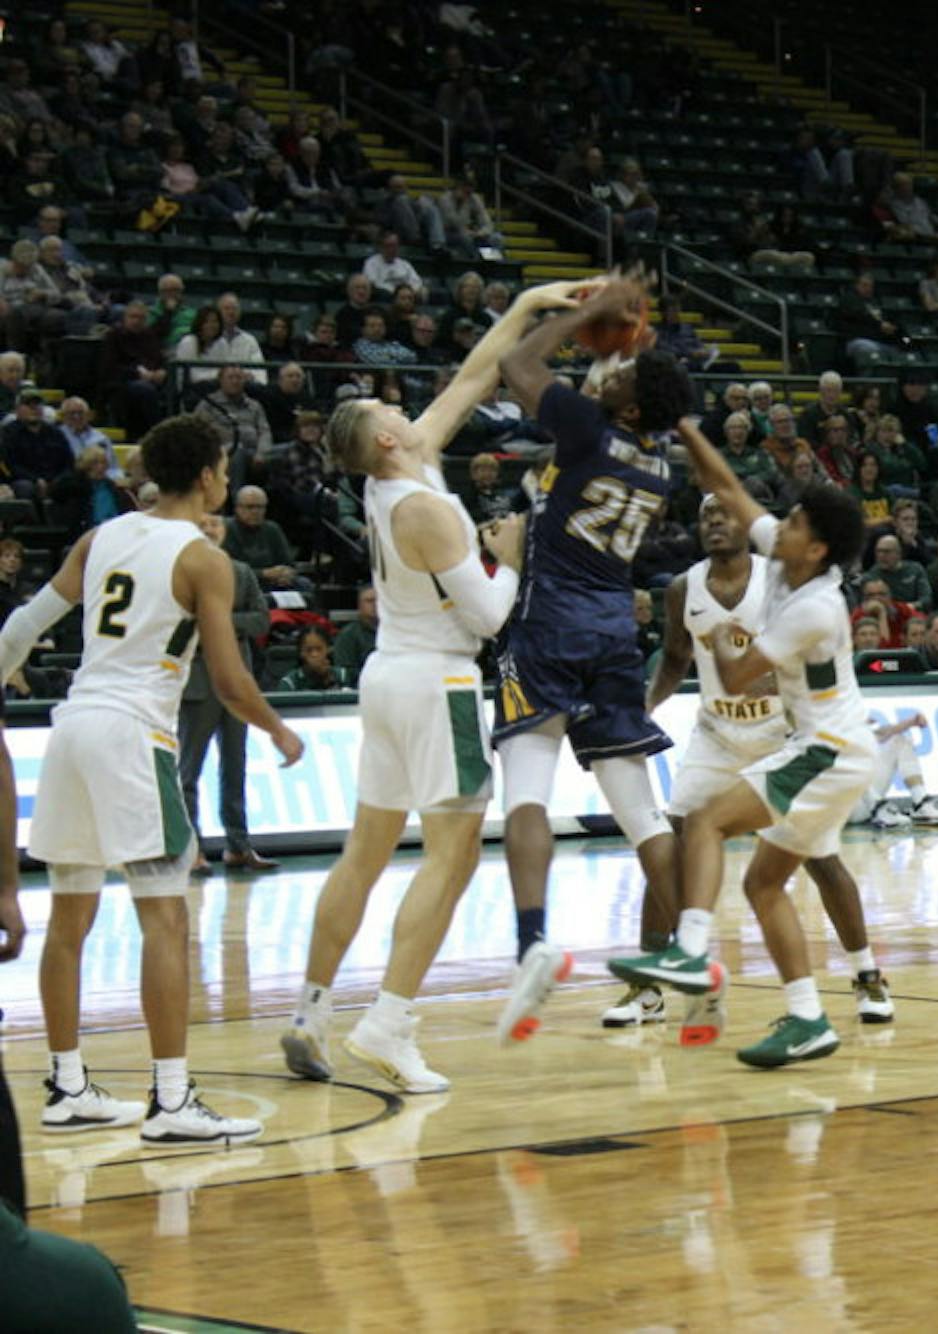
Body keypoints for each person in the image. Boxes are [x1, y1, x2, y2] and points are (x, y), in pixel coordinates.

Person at [281, 280, 578, 1093]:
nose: (404, 411)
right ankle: (390, 1021)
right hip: (437, 683)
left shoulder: (399, 475)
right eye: (390, 414)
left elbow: (474, 376)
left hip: (387, 679)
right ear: (384, 444)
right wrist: (513, 548)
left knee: (365, 853)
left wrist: (529, 304)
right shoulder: (424, 505)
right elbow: (488, 618)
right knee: (450, 859)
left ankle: (310, 1011)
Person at [0, 415, 302, 1144]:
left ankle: (67, 1085)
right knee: (164, 915)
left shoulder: (102, 538)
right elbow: (229, 681)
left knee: (70, 917)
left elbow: (20, 629)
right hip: (135, 733)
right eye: (224, 467)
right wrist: (279, 729)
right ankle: (171, 1101)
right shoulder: (205, 560)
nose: (227, 480)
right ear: (206, 476)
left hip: (70, 727)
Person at [608, 412, 875, 1069]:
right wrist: (686, 428)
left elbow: (734, 672)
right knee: (761, 886)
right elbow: (728, 487)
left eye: (793, 525)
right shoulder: (792, 565)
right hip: (820, 749)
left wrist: (725, 636)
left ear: (813, 548)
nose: (776, 527)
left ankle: (691, 947)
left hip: (826, 754)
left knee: (704, 821)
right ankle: (809, 1020)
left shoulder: (814, 607)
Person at [486, 293, 693, 1047]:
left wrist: (579, 315)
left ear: (633, 405)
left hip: (548, 626)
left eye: (625, 375)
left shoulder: (587, 426)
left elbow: (516, 364)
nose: (613, 374)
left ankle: (532, 942)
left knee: (527, 794)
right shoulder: (662, 465)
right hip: (613, 632)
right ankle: (683, 953)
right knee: (641, 814)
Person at [179, 514, 277, 875]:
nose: (209, 531)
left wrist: (219, 622)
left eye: (215, 526)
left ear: (224, 531)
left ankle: (238, 845)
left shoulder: (241, 571)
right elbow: (184, 624)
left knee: (235, 767)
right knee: (188, 770)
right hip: (198, 684)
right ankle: (191, 850)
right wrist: (223, 624)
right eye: (202, 525)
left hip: (237, 682)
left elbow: (261, 620)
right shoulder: (182, 570)